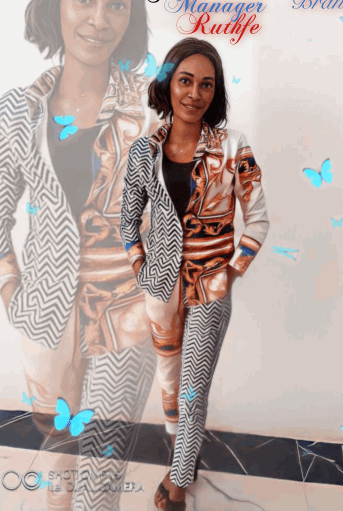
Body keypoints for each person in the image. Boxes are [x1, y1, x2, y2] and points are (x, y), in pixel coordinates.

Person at [0, 0, 159, 509]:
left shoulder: (152, 107)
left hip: (123, 315)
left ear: (130, 17)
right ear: (56, 3)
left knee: (97, 489)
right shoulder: (17, 111)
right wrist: (12, 294)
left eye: (117, 5)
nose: (99, 19)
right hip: (43, 317)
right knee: (58, 468)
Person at [121, 37, 270, 510]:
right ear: (168, 84)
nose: (195, 93)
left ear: (216, 91)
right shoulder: (144, 150)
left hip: (210, 288)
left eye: (207, 84)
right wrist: (142, 269)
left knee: (192, 389)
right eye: (185, 80)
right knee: (169, 383)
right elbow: (127, 222)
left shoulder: (233, 147)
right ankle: (181, 452)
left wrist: (230, 274)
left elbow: (258, 220)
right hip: (160, 290)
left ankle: (179, 483)